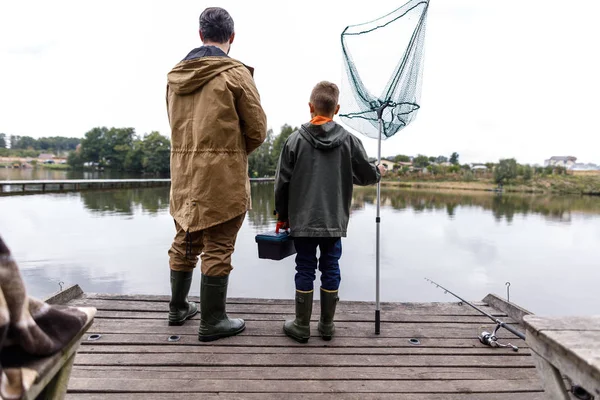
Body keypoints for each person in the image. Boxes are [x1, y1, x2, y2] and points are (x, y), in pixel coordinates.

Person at [165, 7, 267, 342]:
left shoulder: (174, 77)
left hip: (184, 175)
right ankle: (212, 321)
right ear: (231, 38)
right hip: (223, 176)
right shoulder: (236, 75)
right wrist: (231, 155)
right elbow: (257, 130)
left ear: (200, 35)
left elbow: (176, 126)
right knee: (219, 245)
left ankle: (178, 309)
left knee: (186, 237)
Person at [274, 81, 386, 343]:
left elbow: (282, 182)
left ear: (310, 107)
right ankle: (326, 326)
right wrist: (378, 172)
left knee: (304, 267)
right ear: (336, 109)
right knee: (331, 266)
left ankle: (301, 326)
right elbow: (366, 174)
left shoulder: (294, 140)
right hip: (334, 221)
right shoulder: (349, 141)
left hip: (302, 221)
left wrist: (282, 216)